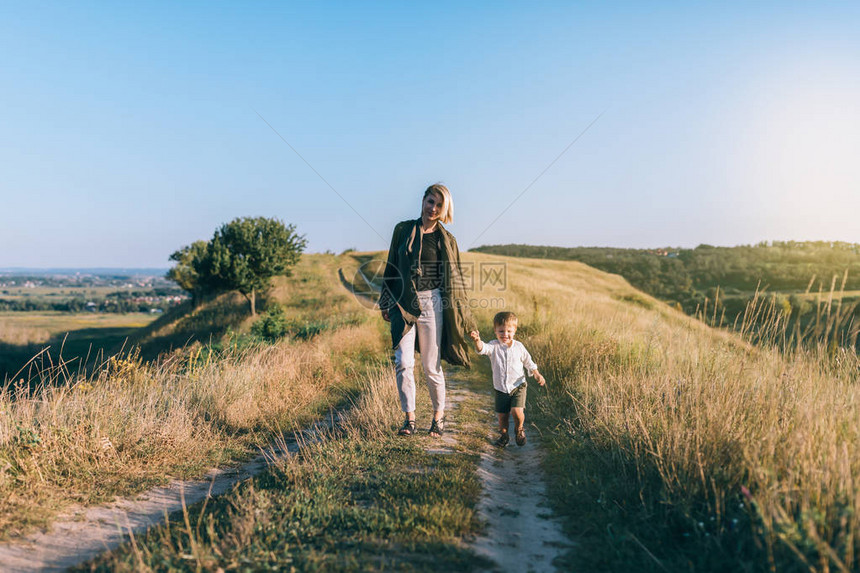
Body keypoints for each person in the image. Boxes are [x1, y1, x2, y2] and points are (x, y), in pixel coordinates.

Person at [379, 183, 475, 437]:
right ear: (423, 200)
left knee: (431, 366)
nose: (433, 208)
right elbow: (391, 265)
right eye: (430, 201)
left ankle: (438, 417)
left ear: (445, 209)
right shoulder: (403, 230)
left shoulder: (448, 240)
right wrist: (386, 300)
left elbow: (457, 279)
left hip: (433, 303)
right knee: (403, 362)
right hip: (403, 300)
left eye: (439, 205)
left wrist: (467, 319)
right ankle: (409, 419)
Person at [469, 311, 546, 447]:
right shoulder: (493, 346)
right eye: (501, 331)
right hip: (501, 387)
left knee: (517, 411)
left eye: (509, 331)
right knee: (502, 416)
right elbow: (482, 349)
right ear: (495, 331)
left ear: (514, 330)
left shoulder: (519, 347)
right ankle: (504, 436)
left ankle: (519, 428)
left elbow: (529, 362)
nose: (505, 334)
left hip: (518, 386)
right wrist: (477, 341)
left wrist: (537, 374)